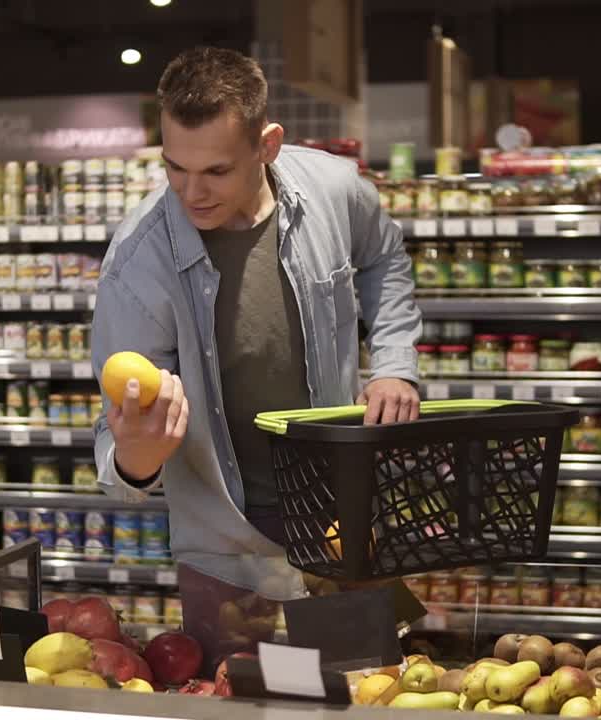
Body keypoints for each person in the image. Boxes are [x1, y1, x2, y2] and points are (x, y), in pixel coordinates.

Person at [90, 46, 421, 657]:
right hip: (225, 546)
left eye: (215, 171)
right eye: (174, 169)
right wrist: (137, 459)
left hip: (340, 513)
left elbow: (384, 259)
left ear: (267, 145)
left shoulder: (332, 189)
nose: (192, 192)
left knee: (371, 686)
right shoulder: (138, 263)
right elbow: (118, 460)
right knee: (232, 698)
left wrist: (395, 362)